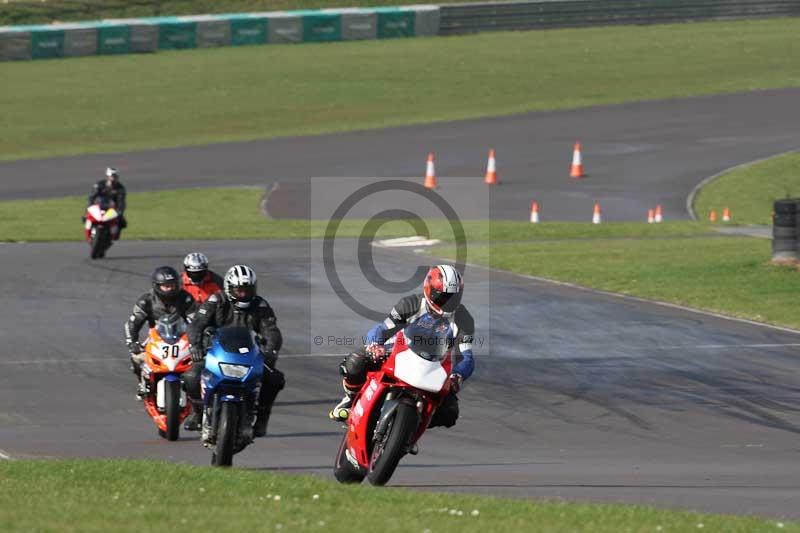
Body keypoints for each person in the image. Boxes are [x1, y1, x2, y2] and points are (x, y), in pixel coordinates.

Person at [330, 265, 475, 432]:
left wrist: (458, 376)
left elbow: (467, 357)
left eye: (454, 297)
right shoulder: (411, 304)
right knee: (356, 361)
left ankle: (409, 429)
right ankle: (350, 400)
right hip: (399, 351)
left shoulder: (464, 319)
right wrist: (375, 345)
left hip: (435, 365)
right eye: (443, 296)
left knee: (449, 413)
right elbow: (382, 329)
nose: (448, 302)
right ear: (429, 290)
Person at [184, 265, 284, 438]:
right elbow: (197, 324)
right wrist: (195, 346)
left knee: (275, 379)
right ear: (229, 287)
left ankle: (261, 418)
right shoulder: (217, 300)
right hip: (215, 354)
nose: (243, 293)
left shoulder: (260, 305)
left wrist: (270, 351)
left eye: (248, 289)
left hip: (248, 357)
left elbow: (272, 330)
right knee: (191, 377)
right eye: (239, 289)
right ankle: (198, 413)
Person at [124, 266, 198, 400]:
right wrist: (132, 342)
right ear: (157, 286)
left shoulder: (185, 298)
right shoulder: (145, 301)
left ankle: (195, 389)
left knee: (199, 359)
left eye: (173, 285)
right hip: (156, 336)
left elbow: (196, 321)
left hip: (182, 336)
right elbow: (132, 324)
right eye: (166, 286)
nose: (171, 289)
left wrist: (199, 339)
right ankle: (143, 383)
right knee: (136, 357)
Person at [88, 167, 127, 237]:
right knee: (86, 216)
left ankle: (113, 234)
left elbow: (121, 201)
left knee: (123, 223)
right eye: (112, 176)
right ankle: (90, 231)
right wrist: (90, 205)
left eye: (115, 177)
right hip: (99, 206)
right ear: (108, 177)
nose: (113, 178)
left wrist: (120, 211)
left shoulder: (120, 188)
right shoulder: (100, 184)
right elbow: (92, 196)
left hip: (112, 208)